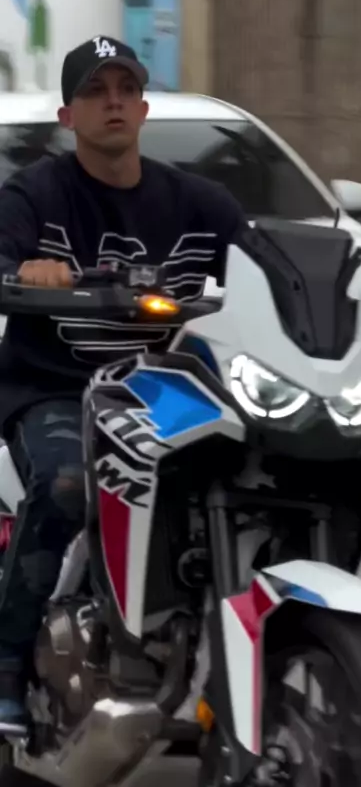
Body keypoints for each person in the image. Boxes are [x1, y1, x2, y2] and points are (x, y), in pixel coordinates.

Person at [0, 36, 247, 732]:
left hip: (162, 390)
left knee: (245, 481)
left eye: (125, 89)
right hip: (55, 387)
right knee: (68, 486)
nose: (112, 102)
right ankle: (7, 663)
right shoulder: (34, 194)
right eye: (94, 91)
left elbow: (268, 263)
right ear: (68, 116)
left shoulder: (199, 201)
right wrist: (24, 271)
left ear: (142, 108)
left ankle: (215, 658)